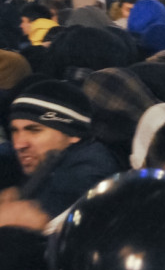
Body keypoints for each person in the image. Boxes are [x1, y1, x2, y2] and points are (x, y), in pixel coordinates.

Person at [0, 80, 119, 229]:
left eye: (34, 130)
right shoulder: (53, 160)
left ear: (73, 135)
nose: (18, 144)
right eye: (15, 131)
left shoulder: (84, 174)